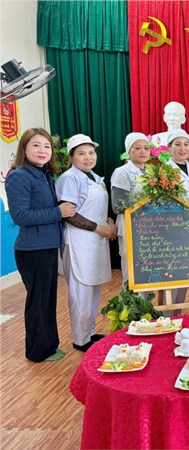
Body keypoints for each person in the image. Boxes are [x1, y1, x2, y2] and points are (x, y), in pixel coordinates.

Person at [6, 127, 76, 362]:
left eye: (47, 146)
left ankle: (49, 346)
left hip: (46, 246)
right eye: (36, 145)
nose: (42, 150)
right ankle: (37, 352)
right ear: (24, 149)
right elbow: (21, 216)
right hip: (32, 250)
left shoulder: (44, 175)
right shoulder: (19, 176)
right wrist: (58, 212)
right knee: (38, 301)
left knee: (47, 299)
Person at [55, 134, 117, 352]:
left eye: (91, 152)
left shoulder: (95, 178)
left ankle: (89, 332)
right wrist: (100, 228)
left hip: (96, 241)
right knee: (80, 292)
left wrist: (109, 221)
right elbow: (69, 214)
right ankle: (80, 339)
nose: (88, 157)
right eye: (81, 153)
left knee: (93, 290)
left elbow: (97, 208)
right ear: (72, 157)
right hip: (79, 242)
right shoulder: (69, 179)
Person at [164, 129, 189, 307]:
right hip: (173, 228)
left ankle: (177, 312)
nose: (182, 148)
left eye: (186, 144)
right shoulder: (164, 171)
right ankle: (167, 313)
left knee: (185, 271)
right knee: (172, 271)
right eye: (177, 144)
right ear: (169, 147)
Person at [111, 132, 150, 284]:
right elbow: (118, 205)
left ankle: (148, 300)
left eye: (146, 148)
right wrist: (147, 204)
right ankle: (130, 300)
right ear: (129, 151)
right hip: (129, 226)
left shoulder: (151, 172)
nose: (143, 151)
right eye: (137, 148)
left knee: (148, 270)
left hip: (150, 227)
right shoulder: (122, 172)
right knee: (132, 271)